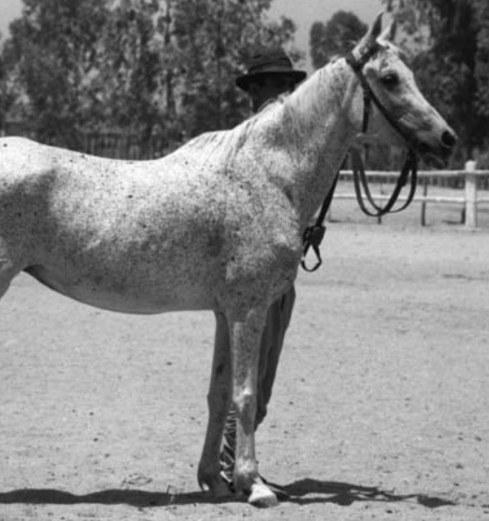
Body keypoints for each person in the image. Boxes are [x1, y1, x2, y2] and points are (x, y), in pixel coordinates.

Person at [218, 47, 307, 496]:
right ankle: (231, 461)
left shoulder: (292, 148)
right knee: (248, 367)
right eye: (269, 86)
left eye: (284, 87)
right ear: (253, 92)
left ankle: (236, 459)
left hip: (279, 271)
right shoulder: (241, 145)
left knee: (265, 370)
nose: (279, 95)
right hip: (249, 277)